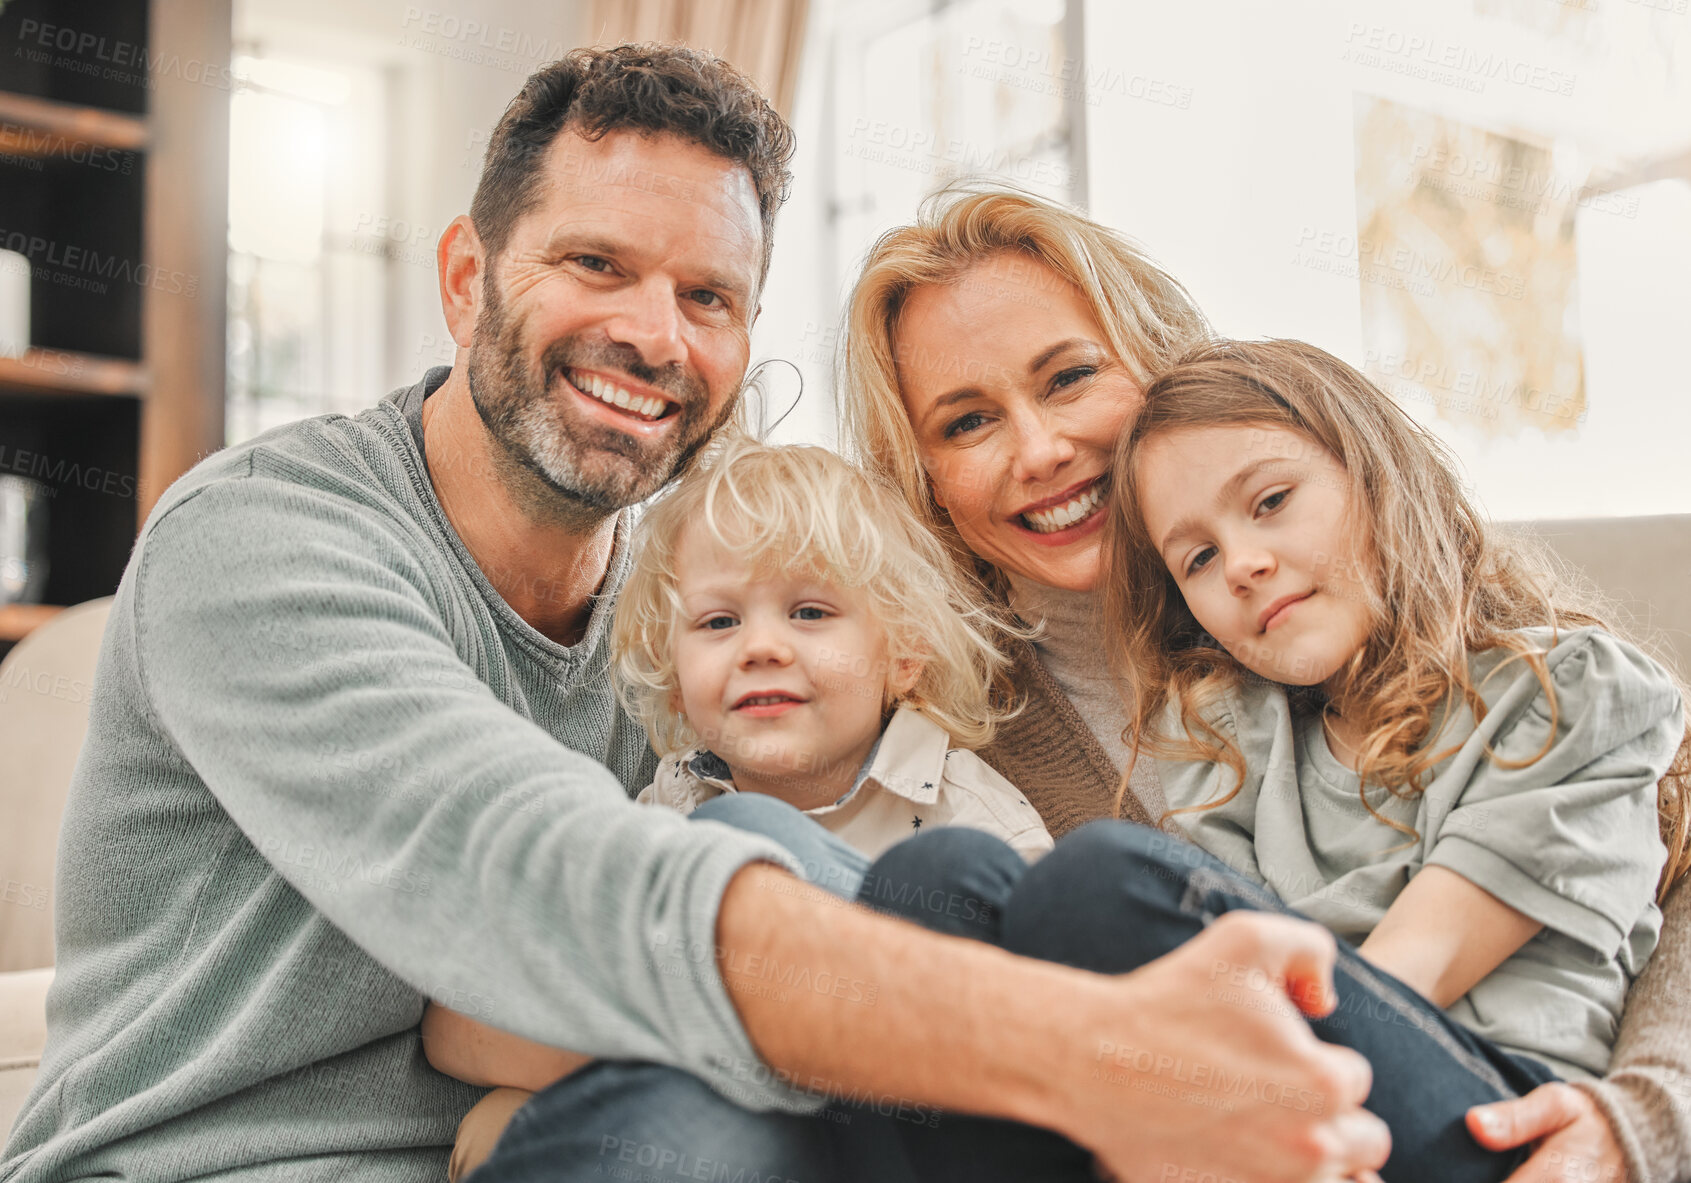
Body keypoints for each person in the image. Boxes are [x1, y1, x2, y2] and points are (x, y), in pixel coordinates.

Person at [0, 47, 1388, 1183]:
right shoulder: (262, 540)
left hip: (609, 1121)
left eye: (707, 295)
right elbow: (545, 875)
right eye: (595, 265)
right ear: (468, 279)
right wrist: (1103, 1053)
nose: (654, 336)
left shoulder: (684, 629)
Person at [840, 182, 1691, 1183]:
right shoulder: (1224, 716)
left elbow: (1371, 980)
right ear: (923, 480)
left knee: (1096, 884)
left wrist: (1648, 1114)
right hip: (1238, 1098)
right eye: (967, 422)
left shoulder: (1516, 665)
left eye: (1068, 376)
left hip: (1472, 1109)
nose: (1038, 449)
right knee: (923, 893)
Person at [432, 435, 1053, 1179]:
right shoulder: (669, 809)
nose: (760, 646)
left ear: (903, 653)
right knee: (501, 1120)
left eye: (810, 611)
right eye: (718, 622)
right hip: (721, 1125)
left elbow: (1038, 1045)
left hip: (902, 1139)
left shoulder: (968, 812)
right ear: (673, 680)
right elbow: (479, 1009)